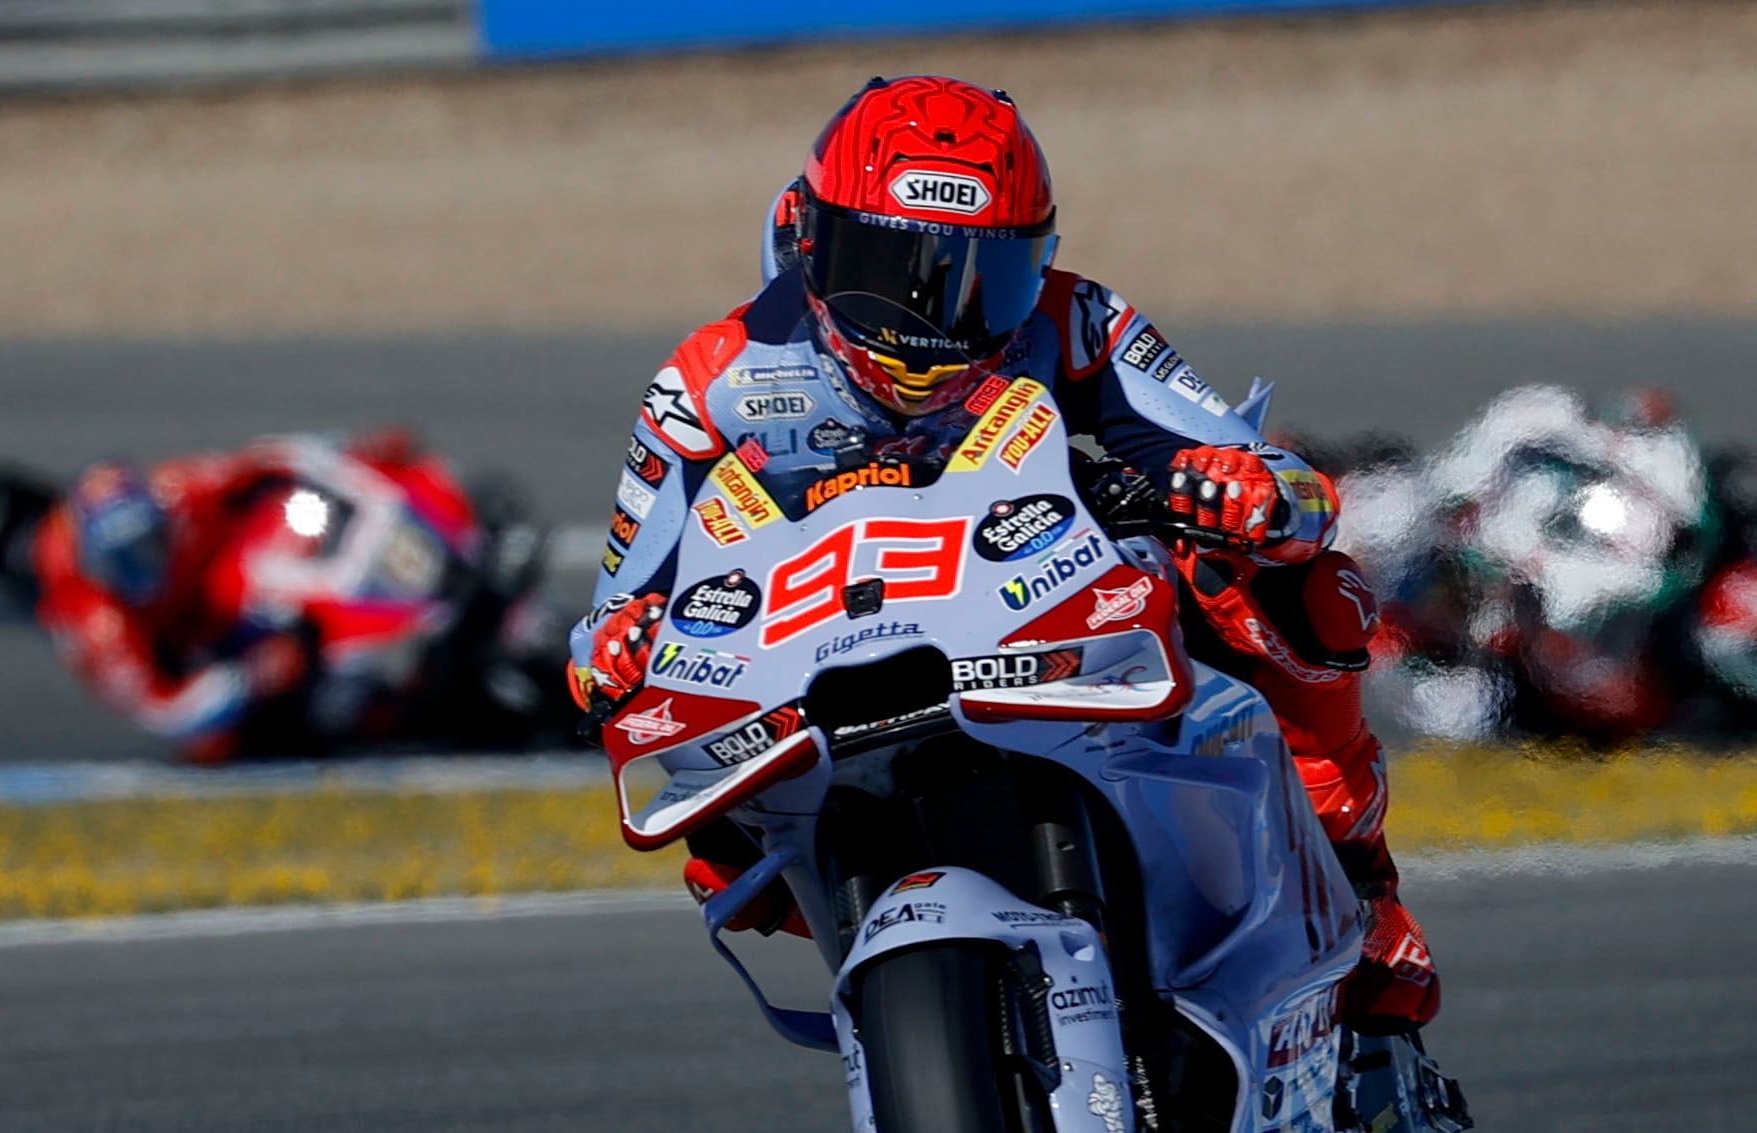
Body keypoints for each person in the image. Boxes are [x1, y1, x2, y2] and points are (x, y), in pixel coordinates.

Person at [569, 75, 1436, 1026]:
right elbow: (615, 612)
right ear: (803, 236)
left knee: (1299, 587)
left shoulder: (1075, 318)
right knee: (700, 816)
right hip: (813, 656)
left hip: (1043, 612)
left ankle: (1362, 881)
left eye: (985, 278)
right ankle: (904, 977)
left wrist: (1252, 493)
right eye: (885, 266)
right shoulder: (708, 378)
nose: (930, 319)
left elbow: (1285, 483)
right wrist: (615, 648)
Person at [32, 431, 467, 762]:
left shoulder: (174, 489)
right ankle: (407, 705)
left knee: (313, 503)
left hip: (232, 572)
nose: (143, 566)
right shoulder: (100, 627)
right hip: (213, 655)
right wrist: (252, 677)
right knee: (305, 719)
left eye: (149, 545)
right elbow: (164, 711)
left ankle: (438, 540)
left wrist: (353, 458)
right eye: (125, 561)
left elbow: (263, 460)